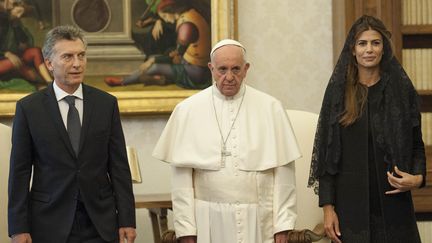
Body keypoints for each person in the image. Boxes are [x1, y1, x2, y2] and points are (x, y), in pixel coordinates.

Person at [153, 39, 301, 243]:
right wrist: (186, 230)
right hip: (207, 219)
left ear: (246, 69)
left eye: (236, 69)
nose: (229, 77)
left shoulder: (270, 108)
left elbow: (285, 176)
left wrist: (283, 225)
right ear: (211, 68)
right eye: (222, 69)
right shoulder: (188, 110)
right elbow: (181, 181)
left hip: (259, 218)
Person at [8, 25, 136, 243]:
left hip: (100, 223)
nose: (77, 63)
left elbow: (119, 168)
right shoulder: (29, 109)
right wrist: (18, 228)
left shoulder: (106, 104)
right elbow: (19, 173)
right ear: (49, 63)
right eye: (67, 56)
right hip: (48, 223)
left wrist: (127, 220)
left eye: (81, 55)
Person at [308, 15, 426, 243]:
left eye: (375, 42)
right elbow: (326, 155)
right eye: (362, 43)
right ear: (353, 49)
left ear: (384, 48)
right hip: (350, 208)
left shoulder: (401, 90)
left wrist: (418, 178)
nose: (369, 49)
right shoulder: (338, 93)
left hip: (395, 206)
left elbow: (416, 144)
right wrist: (328, 209)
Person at [104, 0, 211, 89]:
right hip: (190, 64)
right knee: (153, 58)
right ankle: (156, 78)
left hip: (195, 72)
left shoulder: (186, 28)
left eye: (164, 15)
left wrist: (153, 61)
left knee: (155, 67)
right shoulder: (189, 14)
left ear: (172, 11)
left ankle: (123, 81)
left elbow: (176, 56)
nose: (164, 19)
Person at [0, 0, 52, 88]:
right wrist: (7, 54)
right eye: (14, 3)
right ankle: (39, 82)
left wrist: (15, 24)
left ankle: (49, 82)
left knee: (35, 51)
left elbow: (24, 44)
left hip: (14, 56)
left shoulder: (12, 19)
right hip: (4, 59)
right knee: (14, 62)